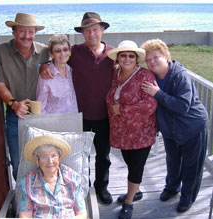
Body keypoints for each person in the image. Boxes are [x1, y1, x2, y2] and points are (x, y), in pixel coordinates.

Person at [41, 12, 114, 204]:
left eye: (95, 30)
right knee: (79, 156)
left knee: (103, 156)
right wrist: (44, 65)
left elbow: (130, 66)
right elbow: (56, 57)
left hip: (105, 116)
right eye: (87, 31)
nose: (91, 34)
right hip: (79, 117)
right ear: (82, 33)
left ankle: (102, 187)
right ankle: (83, 186)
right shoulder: (75, 52)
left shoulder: (113, 54)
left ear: (103, 30)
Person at [141, 39, 208, 213]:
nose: (152, 62)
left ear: (165, 56)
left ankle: (188, 197)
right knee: (172, 161)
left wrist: (158, 94)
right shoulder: (152, 76)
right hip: (170, 129)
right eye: (148, 59)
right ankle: (171, 188)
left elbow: (182, 106)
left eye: (156, 57)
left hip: (192, 126)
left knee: (192, 165)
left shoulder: (179, 75)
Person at [0, 13, 49, 180]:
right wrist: (13, 103)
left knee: (44, 159)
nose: (27, 36)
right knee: (18, 163)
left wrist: (46, 66)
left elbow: (64, 60)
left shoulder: (45, 53)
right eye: (22, 31)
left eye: (31, 32)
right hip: (14, 113)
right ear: (13, 32)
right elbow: (0, 84)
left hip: (40, 113)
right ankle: (23, 198)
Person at [106, 40, 157, 219]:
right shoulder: (116, 73)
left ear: (136, 59)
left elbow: (150, 104)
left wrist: (123, 109)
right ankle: (136, 191)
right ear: (118, 58)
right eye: (123, 55)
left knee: (136, 166)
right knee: (130, 163)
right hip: (122, 133)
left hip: (141, 132)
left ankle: (129, 203)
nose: (126, 58)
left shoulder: (145, 76)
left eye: (131, 55)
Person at [16, 135, 87, 218]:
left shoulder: (72, 178)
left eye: (53, 156)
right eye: (44, 157)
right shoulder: (26, 183)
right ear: (37, 160)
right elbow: (25, 216)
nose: (50, 161)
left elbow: (82, 214)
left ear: (59, 158)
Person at [36, 34, 78, 114]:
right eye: (58, 51)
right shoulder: (45, 76)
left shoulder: (72, 71)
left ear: (69, 52)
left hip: (73, 121)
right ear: (51, 54)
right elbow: (41, 107)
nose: (62, 54)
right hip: (54, 123)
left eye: (65, 49)